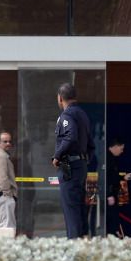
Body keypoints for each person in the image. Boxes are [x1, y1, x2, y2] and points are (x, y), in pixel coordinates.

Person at [52, 83, 95, 239]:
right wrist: (84, 160)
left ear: (60, 98)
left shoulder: (67, 115)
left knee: (70, 208)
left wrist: (57, 156)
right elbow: (91, 144)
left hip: (69, 167)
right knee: (78, 207)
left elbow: (70, 136)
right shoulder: (83, 115)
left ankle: (73, 243)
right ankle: (82, 239)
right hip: (81, 166)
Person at [106, 138, 131, 236]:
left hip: (113, 194)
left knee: (114, 217)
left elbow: (113, 176)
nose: (122, 151)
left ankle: (115, 234)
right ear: (115, 147)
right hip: (108, 195)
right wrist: (109, 194)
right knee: (111, 219)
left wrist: (124, 177)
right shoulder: (106, 159)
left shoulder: (112, 159)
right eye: (121, 149)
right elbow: (106, 178)